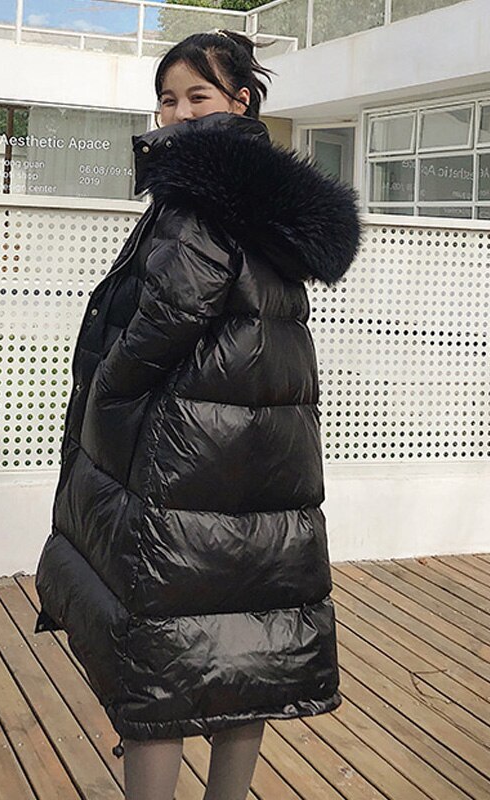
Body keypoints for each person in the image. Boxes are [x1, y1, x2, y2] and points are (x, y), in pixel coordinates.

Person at [33, 29, 362, 800]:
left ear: (239, 102)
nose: (178, 114)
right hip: (258, 459)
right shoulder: (269, 203)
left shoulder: (202, 195)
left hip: (184, 457)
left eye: (197, 97)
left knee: (161, 657)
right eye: (168, 99)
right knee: (241, 639)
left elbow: (174, 309)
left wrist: (108, 394)